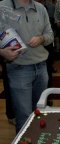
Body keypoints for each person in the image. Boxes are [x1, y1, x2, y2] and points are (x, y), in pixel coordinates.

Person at [0, 0, 54, 133]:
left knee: (40, 113)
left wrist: (41, 38)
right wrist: (1, 52)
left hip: (41, 68)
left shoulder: (40, 8)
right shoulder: (3, 6)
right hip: (19, 70)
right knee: (24, 116)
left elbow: (50, 35)